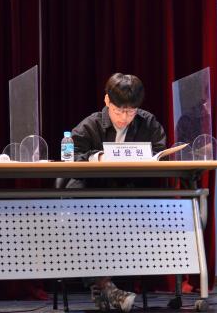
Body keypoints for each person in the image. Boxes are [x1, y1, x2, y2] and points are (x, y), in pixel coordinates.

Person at [70, 73, 167, 312]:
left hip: (132, 199)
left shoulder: (148, 123)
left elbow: (160, 153)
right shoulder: (89, 125)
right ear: (107, 101)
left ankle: (104, 288)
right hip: (92, 198)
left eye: (131, 111)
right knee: (88, 221)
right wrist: (97, 157)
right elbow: (71, 156)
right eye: (118, 111)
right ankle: (106, 287)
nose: (124, 118)